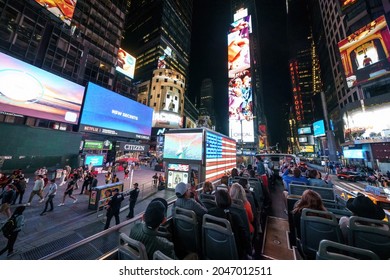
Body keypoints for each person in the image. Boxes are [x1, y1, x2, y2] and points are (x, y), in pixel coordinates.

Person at [209, 190, 252, 259]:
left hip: (214, 248)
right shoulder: (235, 217)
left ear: (216, 201)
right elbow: (244, 236)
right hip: (234, 252)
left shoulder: (209, 214)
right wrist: (249, 251)